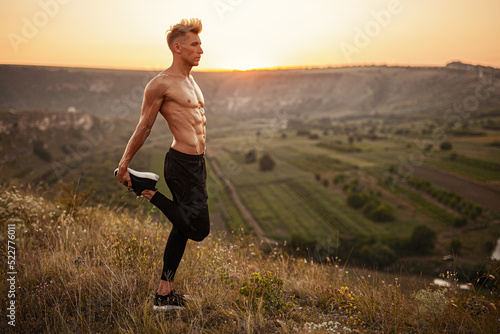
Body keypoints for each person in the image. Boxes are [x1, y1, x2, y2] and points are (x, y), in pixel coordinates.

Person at [115, 18, 209, 311]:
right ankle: (147, 191)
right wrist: (124, 163)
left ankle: (163, 294)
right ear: (177, 47)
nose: (201, 49)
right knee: (198, 229)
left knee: (181, 229)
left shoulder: (191, 81)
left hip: (197, 163)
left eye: (201, 44)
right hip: (180, 165)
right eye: (195, 44)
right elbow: (144, 127)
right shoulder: (161, 84)